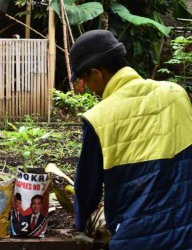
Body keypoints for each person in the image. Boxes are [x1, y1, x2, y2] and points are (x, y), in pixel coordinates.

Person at [69, 29, 192, 249]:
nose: (86, 87)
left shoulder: (98, 118)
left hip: (135, 240)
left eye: (84, 80)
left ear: (96, 73)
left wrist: (80, 223)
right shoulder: (177, 95)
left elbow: (88, 189)